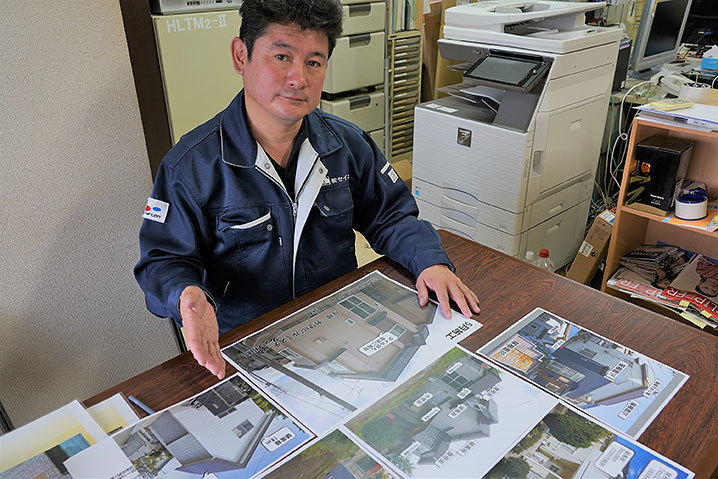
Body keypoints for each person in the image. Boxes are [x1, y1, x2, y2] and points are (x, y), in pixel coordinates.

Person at [134, 0, 480, 380]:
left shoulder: (346, 145)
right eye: (281, 56)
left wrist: (429, 260)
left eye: (314, 62)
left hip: (340, 331)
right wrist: (185, 293)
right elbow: (162, 260)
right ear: (240, 56)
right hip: (248, 351)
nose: (298, 78)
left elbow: (391, 215)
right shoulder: (189, 167)